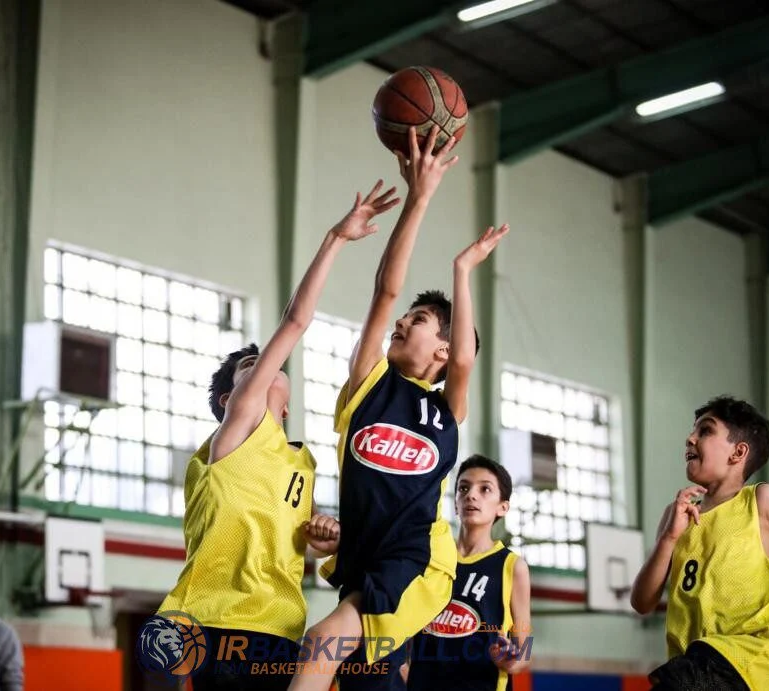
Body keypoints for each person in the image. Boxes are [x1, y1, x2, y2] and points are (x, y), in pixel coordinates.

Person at [156, 180, 400, 690]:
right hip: (219, 620)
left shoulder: (300, 463)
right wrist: (336, 239)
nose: (262, 365)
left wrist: (324, 536)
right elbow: (295, 321)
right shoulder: (235, 432)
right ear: (229, 401)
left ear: (286, 405)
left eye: (262, 364)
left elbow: (303, 541)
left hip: (281, 626)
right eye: (250, 366)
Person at [293, 126, 510, 691]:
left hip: (417, 561)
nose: (400, 321)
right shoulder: (369, 383)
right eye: (406, 317)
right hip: (363, 562)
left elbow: (465, 356)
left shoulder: (445, 411)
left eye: (417, 322)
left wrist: (458, 263)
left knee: (322, 641)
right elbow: (384, 292)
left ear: (442, 351)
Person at [630, 396, 769, 691]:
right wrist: (668, 538)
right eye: (693, 431)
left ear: (738, 452)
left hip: (749, 660)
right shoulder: (676, 516)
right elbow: (642, 602)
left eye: (705, 430)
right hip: (694, 665)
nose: (690, 438)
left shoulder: (762, 502)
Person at [404, 454, 531, 691]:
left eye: (485, 489)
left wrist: (512, 660)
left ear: (502, 507)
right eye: (464, 488)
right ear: (455, 504)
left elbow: (524, 649)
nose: (471, 495)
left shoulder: (512, 566)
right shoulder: (431, 556)